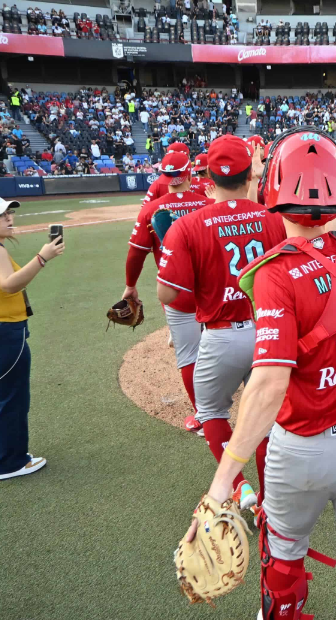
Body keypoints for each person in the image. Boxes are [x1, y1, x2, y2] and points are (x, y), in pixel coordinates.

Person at [181, 130, 336, 620]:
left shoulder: (274, 272)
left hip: (301, 451)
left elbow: (270, 383)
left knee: (284, 558)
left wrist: (221, 482)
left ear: (274, 189)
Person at [156, 135, 287, 513]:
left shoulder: (188, 225)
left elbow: (168, 294)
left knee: (212, 412)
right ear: (251, 176)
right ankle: (268, 499)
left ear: (207, 178)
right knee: (263, 414)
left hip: (221, 334)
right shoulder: (273, 219)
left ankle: (239, 486)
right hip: (268, 331)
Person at [0, 194, 65, 480]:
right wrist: (42, 257)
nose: (9, 218)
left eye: (9, 213)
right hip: (1, 334)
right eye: (1, 215)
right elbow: (9, 285)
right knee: (11, 399)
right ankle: (10, 463)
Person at [124, 151, 211, 435]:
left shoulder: (153, 209)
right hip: (213, 288)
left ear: (165, 177)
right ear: (188, 174)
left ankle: (203, 415)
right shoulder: (208, 204)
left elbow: (136, 254)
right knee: (220, 342)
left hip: (178, 291)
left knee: (188, 354)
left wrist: (130, 285)